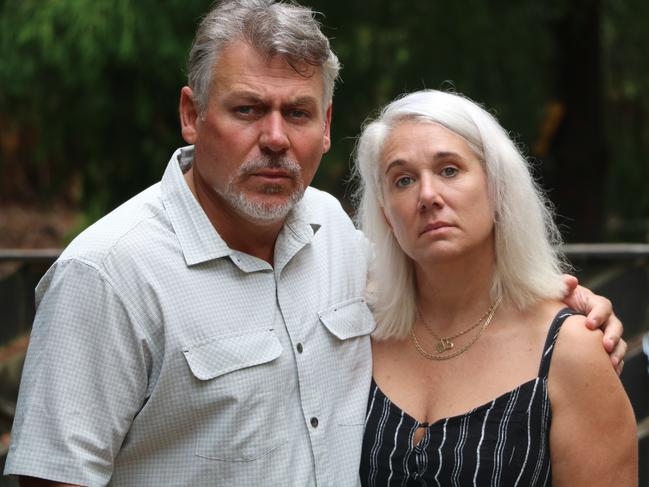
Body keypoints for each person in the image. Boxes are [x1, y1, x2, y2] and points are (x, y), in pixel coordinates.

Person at [4, 1, 624, 486]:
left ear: (325, 127)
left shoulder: (334, 236)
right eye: (247, 110)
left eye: (297, 114)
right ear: (192, 115)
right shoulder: (110, 274)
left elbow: (453, 290)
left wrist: (573, 311)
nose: (275, 137)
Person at [353, 89, 637, 486]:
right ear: (386, 213)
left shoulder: (569, 349)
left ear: (497, 185)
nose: (428, 196)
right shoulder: (357, 330)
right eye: (403, 180)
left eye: (449, 170)